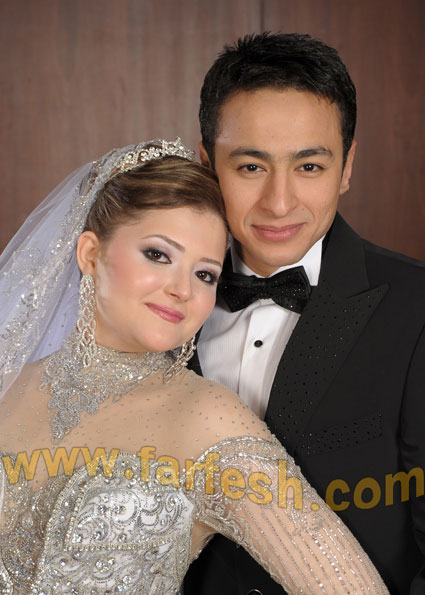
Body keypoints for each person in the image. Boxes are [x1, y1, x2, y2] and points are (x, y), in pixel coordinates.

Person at [0, 139, 388, 593]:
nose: (182, 290)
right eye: (158, 255)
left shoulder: (206, 419)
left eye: (205, 274)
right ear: (90, 254)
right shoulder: (8, 386)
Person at [184, 33, 425, 594]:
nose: (279, 202)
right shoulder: (151, 306)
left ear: (347, 166)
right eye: (251, 166)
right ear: (206, 164)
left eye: (310, 166)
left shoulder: (416, 310)